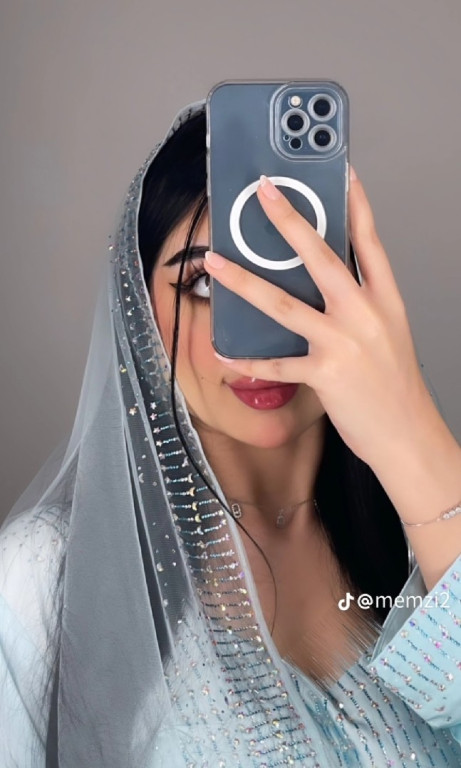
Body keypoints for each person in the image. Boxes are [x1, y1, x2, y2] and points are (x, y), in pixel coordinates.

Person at [0, 98, 460, 768]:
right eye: (202, 286)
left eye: (293, 276)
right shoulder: (52, 574)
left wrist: (414, 439)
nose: (255, 344)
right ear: (137, 309)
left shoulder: (421, 539)